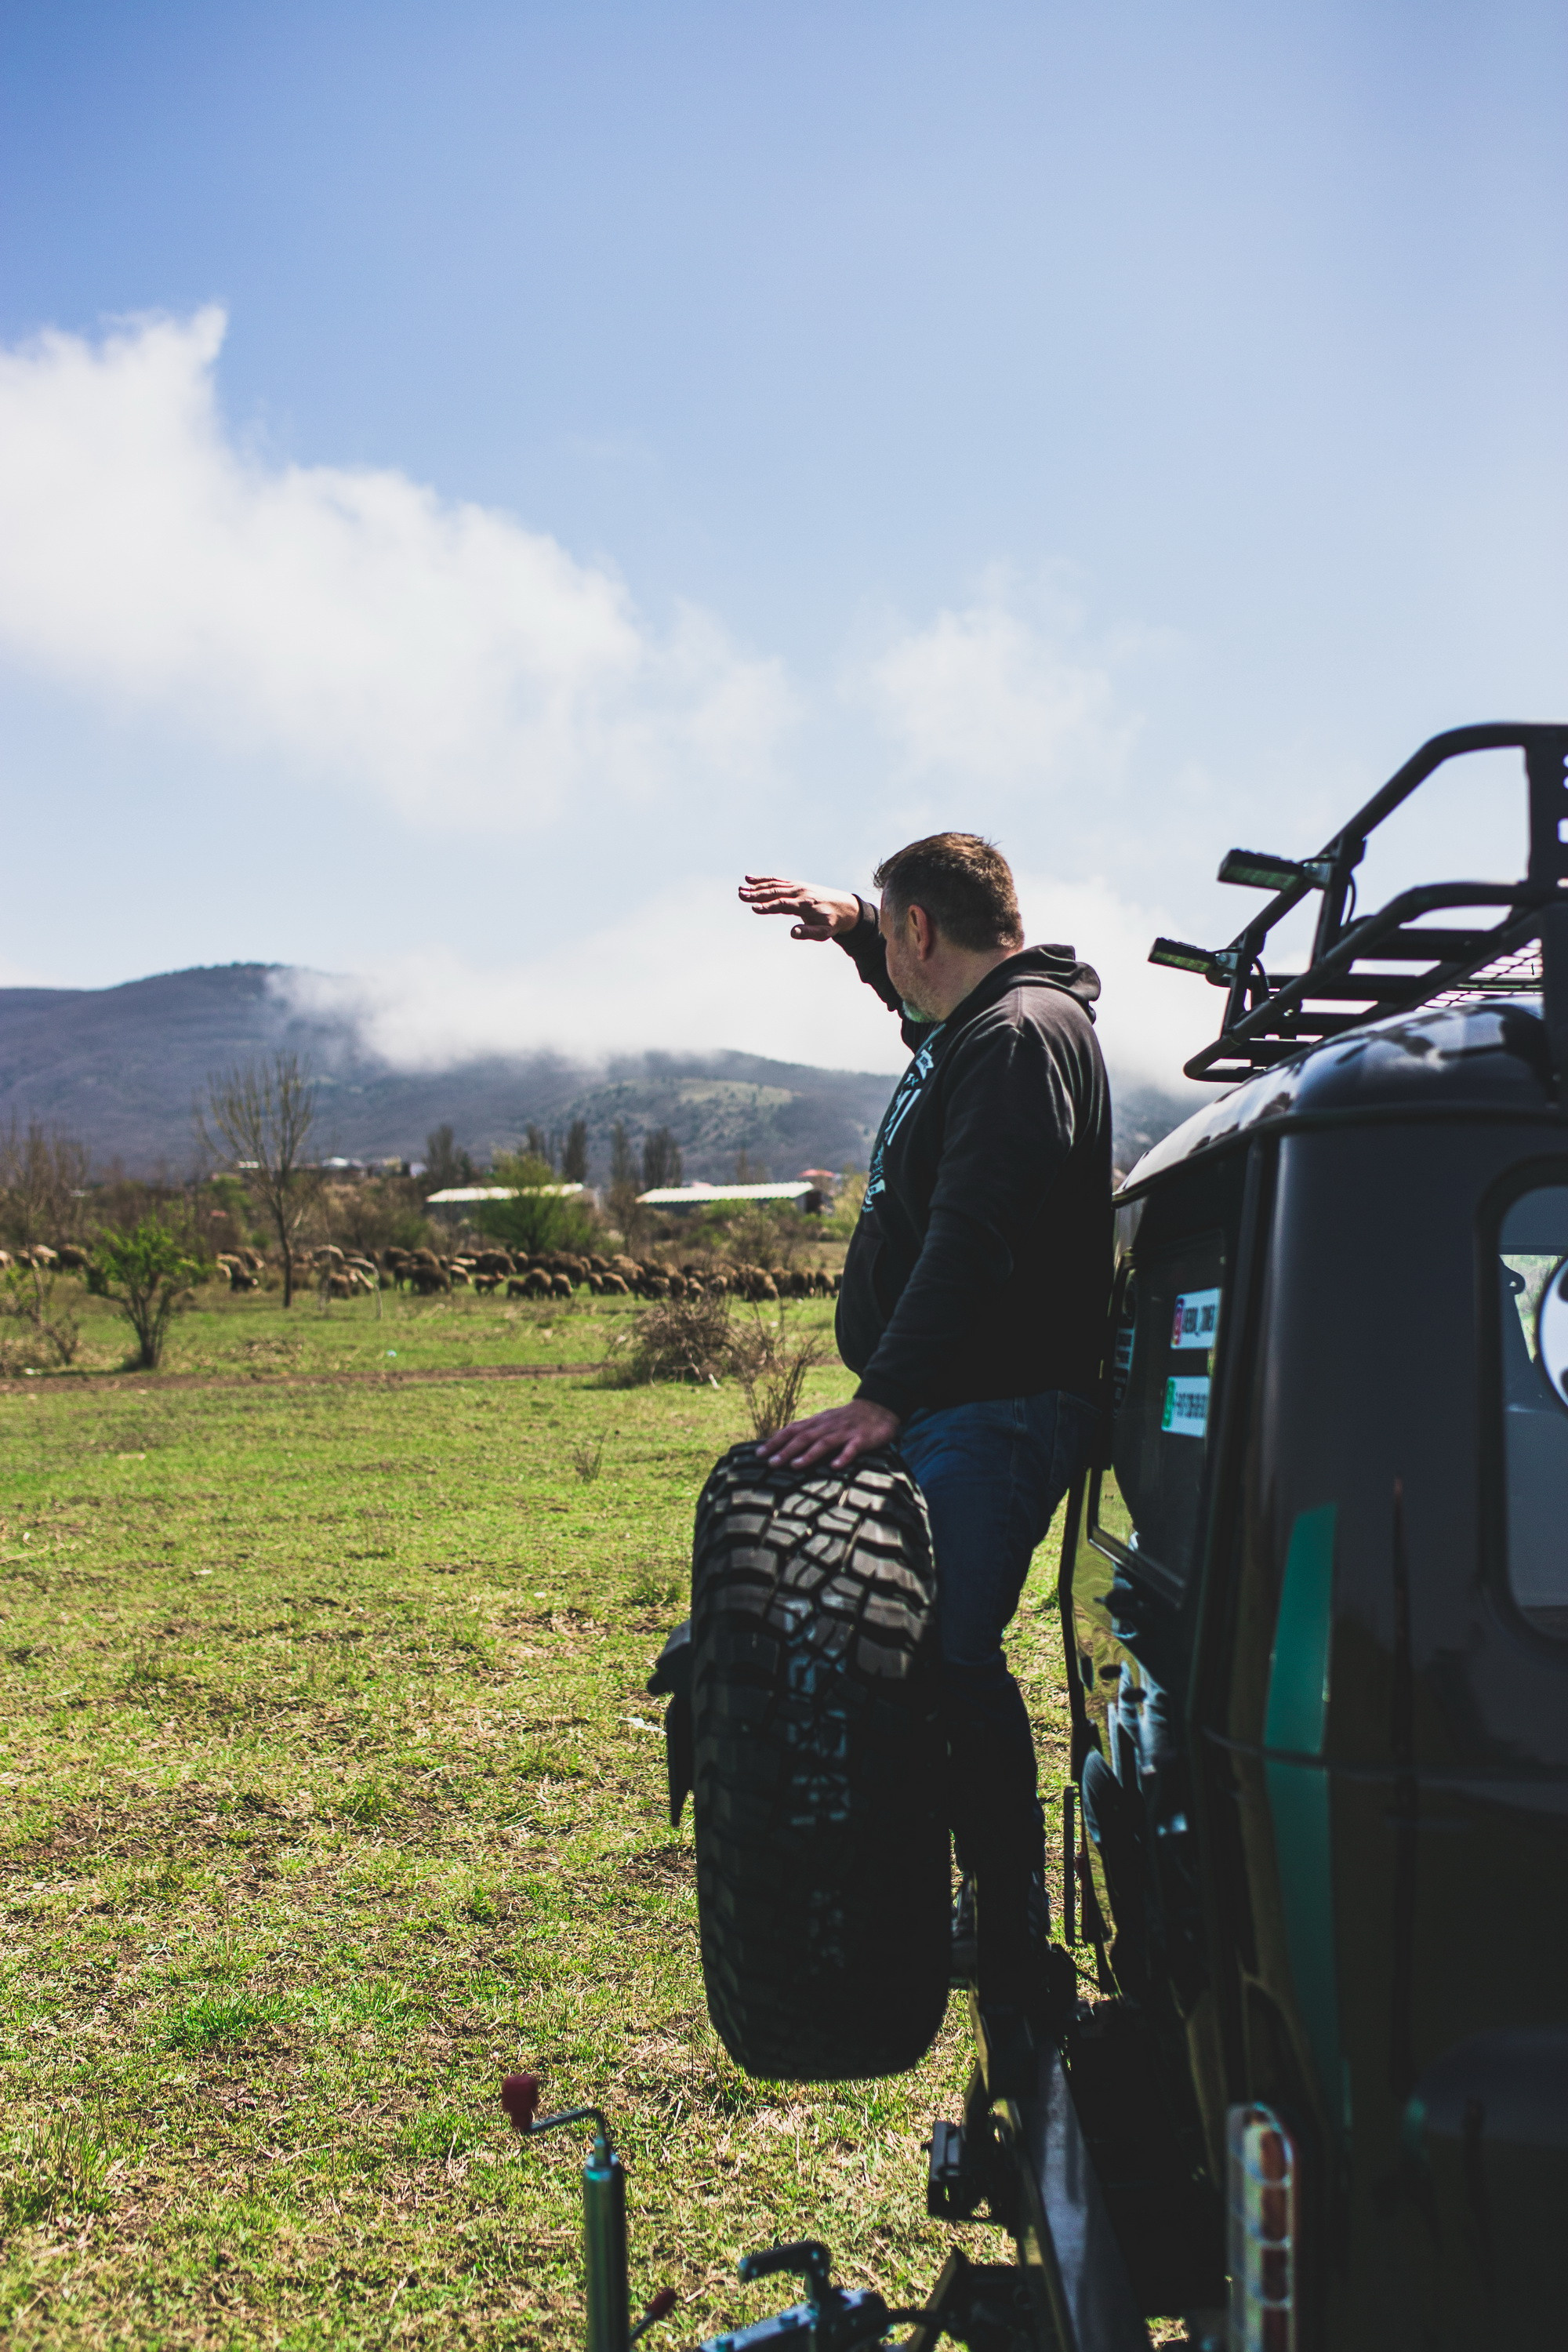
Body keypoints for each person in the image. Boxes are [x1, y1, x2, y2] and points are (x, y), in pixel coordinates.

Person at [739, 835, 1112, 2054]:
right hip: (968, 1402)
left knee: (948, 1651)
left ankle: (1005, 1920)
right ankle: (990, 1905)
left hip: (995, 1407)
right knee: (936, 1649)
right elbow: (921, 1023)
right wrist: (853, 921)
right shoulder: (985, 1028)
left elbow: (977, 1227)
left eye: (890, 938)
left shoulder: (1014, 1037)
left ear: (924, 935)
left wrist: (887, 1393)